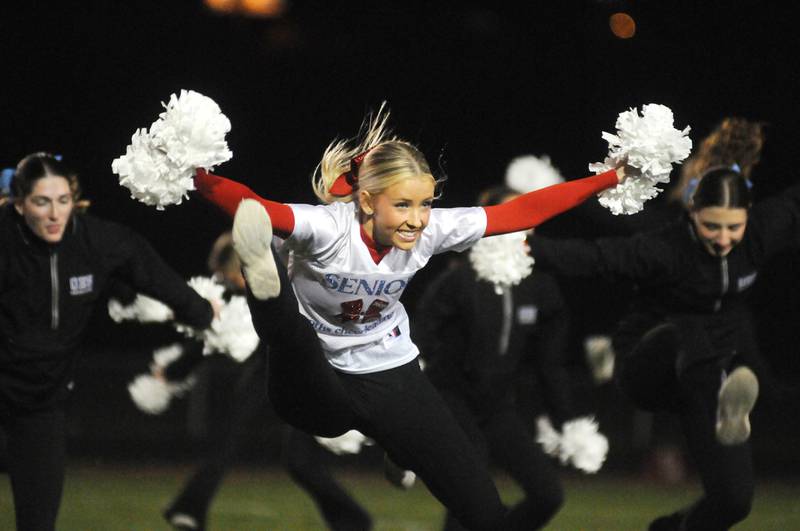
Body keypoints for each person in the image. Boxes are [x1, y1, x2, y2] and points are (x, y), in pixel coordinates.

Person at [188, 105, 626, 530]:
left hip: (389, 370)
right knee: (290, 332)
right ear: (365, 201)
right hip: (313, 380)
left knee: (485, 512)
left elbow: (518, 213)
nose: (417, 220)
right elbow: (252, 206)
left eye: (425, 204)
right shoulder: (327, 228)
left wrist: (609, 178)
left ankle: (400, 445)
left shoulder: (429, 229)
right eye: (403, 205)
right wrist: (193, 172)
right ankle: (261, 275)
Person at [526, 162, 800, 530]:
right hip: (648, 366)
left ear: (748, 215)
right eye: (711, 226)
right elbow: (594, 256)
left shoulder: (764, 228)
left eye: (733, 227)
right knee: (686, 331)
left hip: (705, 382)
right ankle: (628, 362)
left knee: (733, 502)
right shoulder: (663, 248)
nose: (723, 239)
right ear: (692, 213)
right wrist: (522, 246)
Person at [0, 152, 216, 531]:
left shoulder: (96, 241)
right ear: (19, 204)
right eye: (41, 202)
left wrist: (198, 310)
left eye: (62, 201)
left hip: (42, 405)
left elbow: (148, 270)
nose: (54, 214)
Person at [413, 183, 606, 530]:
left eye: (527, 216)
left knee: (548, 495)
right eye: (510, 216)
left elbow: (551, 364)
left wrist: (568, 422)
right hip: (452, 399)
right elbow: (420, 335)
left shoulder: (540, 285)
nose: (522, 224)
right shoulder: (460, 279)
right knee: (472, 488)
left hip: (498, 408)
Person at [152, 232, 371, 531]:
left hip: (307, 376)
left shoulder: (288, 283)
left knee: (299, 461)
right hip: (266, 370)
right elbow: (211, 336)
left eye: (228, 275)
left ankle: (355, 517)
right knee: (228, 439)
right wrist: (175, 370)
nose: (226, 282)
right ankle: (190, 508)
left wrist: (174, 370)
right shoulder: (242, 294)